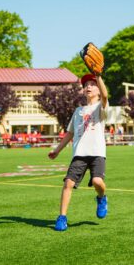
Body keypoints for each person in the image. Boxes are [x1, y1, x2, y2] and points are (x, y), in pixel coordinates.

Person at [48, 73, 109, 231]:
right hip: (80, 153)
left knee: (97, 182)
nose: (88, 86)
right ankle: (62, 217)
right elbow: (70, 133)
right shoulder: (78, 111)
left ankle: (102, 198)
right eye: (86, 85)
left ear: (98, 88)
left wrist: (99, 76)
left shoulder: (101, 107)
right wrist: (57, 151)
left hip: (97, 153)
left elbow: (105, 95)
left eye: (92, 84)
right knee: (68, 183)